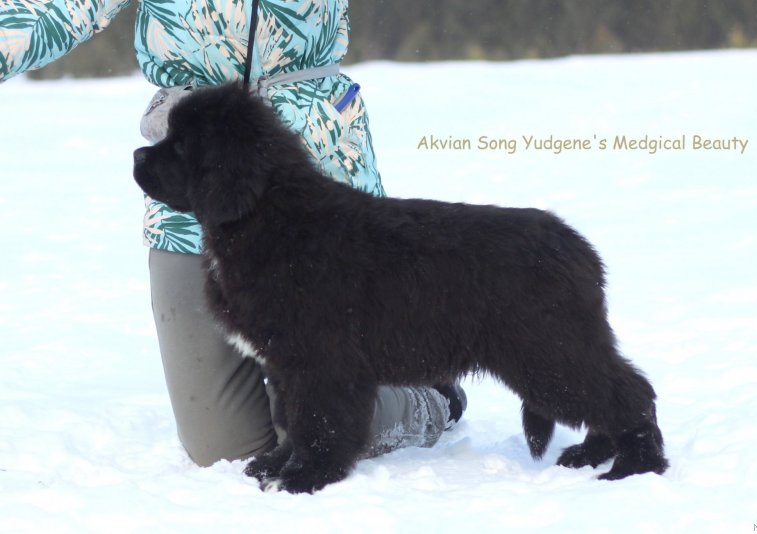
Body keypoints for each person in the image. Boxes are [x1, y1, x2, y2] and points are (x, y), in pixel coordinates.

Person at [1, 0, 466, 468]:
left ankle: (427, 401)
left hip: (318, 185)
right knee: (222, 447)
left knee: (315, 426)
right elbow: (54, 8)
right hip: (190, 178)